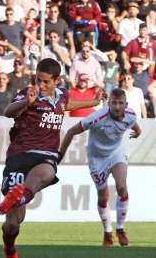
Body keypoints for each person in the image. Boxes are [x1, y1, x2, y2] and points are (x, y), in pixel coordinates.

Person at [0, 58, 105, 258]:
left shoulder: (62, 96)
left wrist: (93, 102)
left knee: (47, 171)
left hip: (45, 154)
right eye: (39, 80)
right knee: (13, 224)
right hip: (19, 155)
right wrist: (25, 103)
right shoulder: (29, 93)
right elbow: (8, 112)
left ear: (57, 80)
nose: (41, 85)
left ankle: (21, 195)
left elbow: (66, 105)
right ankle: (9, 249)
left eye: (46, 82)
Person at [59, 88, 141, 247]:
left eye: (120, 103)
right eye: (114, 103)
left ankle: (120, 229)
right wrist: (60, 154)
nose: (117, 107)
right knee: (103, 197)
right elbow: (70, 131)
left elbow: (136, 127)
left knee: (122, 187)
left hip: (117, 153)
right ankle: (108, 231)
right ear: (108, 103)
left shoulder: (130, 115)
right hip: (97, 158)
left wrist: (137, 133)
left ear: (126, 105)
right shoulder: (97, 117)